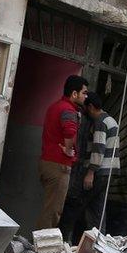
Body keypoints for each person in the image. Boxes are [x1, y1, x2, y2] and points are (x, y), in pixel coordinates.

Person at [59, 95, 120, 242]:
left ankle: (63, 240)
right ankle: (98, 243)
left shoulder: (100, 122)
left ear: (91, 107)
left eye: (85, 108)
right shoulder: (110, 120)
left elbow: (99, 148)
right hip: (108, 171)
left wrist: (91, 172)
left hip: (99, 171)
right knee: (97, 210)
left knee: (76, 205)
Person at [36, 75, 88, 230]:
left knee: (49, 207)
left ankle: (40, 244)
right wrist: (68, 149)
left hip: (47, 162)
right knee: (53, 211)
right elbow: (70, 131)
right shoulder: (68, 109)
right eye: (84, 93)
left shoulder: (55, 106)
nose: (86, 97)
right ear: (74, 94)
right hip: (59, 165)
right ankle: (42, 247)